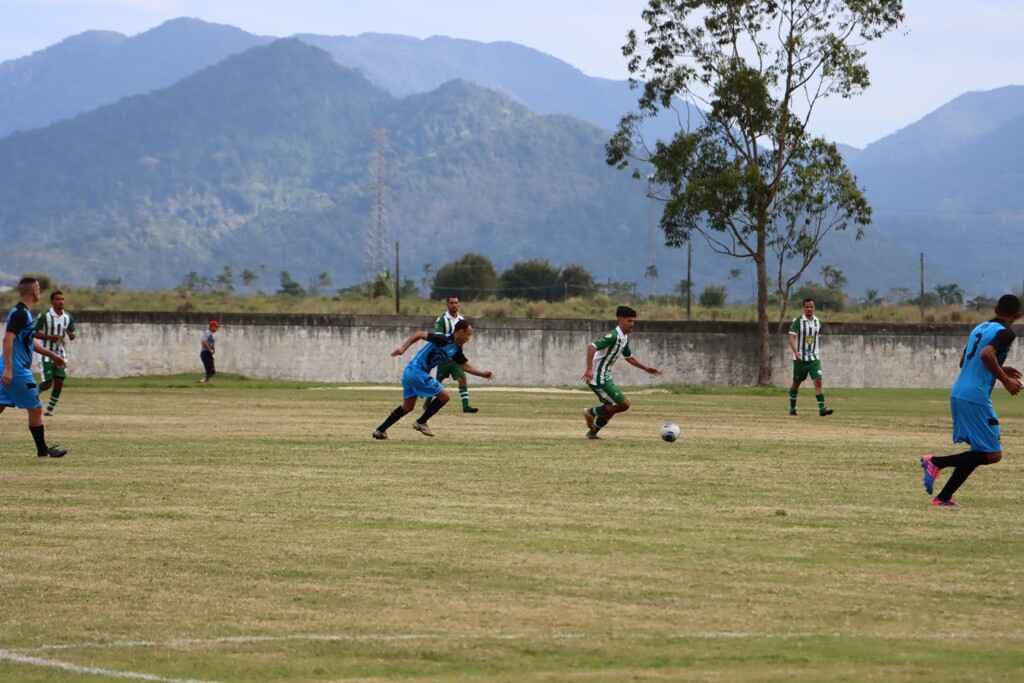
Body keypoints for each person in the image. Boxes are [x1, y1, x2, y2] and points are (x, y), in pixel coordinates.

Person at [920, 294, 1023, 508]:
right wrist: (1005, 380)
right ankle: (935, 462)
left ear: (995, 308)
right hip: (974, 396)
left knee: (978, 452)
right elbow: (986, 355)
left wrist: (1001, 368)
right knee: (993, 454)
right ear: (1018, 315)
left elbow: (964, 361)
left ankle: (944, 497)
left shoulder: (980, 328)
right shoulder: (1006, 333)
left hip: (960, 391)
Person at [373, 319, 493, 439]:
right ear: (460, 332)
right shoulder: (443, 339)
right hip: (417, 372)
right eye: (468, 334)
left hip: (410, 373)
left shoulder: (456, 349)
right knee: (445, 396)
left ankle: (380, 430)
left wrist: (483, 374)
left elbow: (465, 366)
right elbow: (419, 334)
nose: (469, 338)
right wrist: (403, 348)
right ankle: (421, 422)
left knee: (407, 407)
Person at [0, 277, 69, 458]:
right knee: (36, 408)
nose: (40, 292)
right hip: (16, 370)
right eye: (38, 288)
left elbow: (29, 342)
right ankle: (43, 451)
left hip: (9, 367)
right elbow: (7, 339)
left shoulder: (22, 312)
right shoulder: (21, 313)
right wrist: (8, 368)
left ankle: (42, 450)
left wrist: (53, 355)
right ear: (33, 291)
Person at [582, 305, 662, 439]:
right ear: (620, 320)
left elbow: (629, 357)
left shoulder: (624, 337)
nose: (632, 324)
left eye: (633, 321)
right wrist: (589, 369)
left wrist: (646, 368)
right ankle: (591, 412)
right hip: (598, 377)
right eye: (629, 321)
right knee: (624, 404)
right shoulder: (613, 336)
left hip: (605, 376)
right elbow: (592, 347)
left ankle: (593, 432)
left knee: (613, 407)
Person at [787, 298, 834, 416]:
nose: (809, 309)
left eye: (811, 307)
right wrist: (795, 351)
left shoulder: (817, 321)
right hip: (800, 359)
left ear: (814, 308)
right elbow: (791, 337)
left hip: (814, 358)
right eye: (807, 307)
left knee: (818, 381)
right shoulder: (798, 321)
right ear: (803, 308)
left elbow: (814, 338)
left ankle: (822, 409)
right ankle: (792, 408)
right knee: (796, 383)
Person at [34, 289, 76, 416]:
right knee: (47, 382)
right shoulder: (44, 315)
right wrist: (49, 337)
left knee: (59, 381)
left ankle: (50, 409)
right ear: (52, 301)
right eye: (58, 299)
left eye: (62, 299)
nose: (61, 302)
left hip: (60, 354)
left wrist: (71, 334)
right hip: (45, 353)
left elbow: (71, 331)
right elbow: (34, 332)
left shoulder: (68, 317)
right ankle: (31, 397)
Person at [434, 295, 478, 413]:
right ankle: (428, 403)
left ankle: (466, 406)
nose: (454, 305)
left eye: (456, 303)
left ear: (459, 304)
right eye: (452, 303)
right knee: (437, 382)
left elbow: (466, 335)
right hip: (444, 357)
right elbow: (438, 337)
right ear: (447, 305)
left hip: (456, 357)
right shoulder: (442, 319)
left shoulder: (461, 320)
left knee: (462, 379)